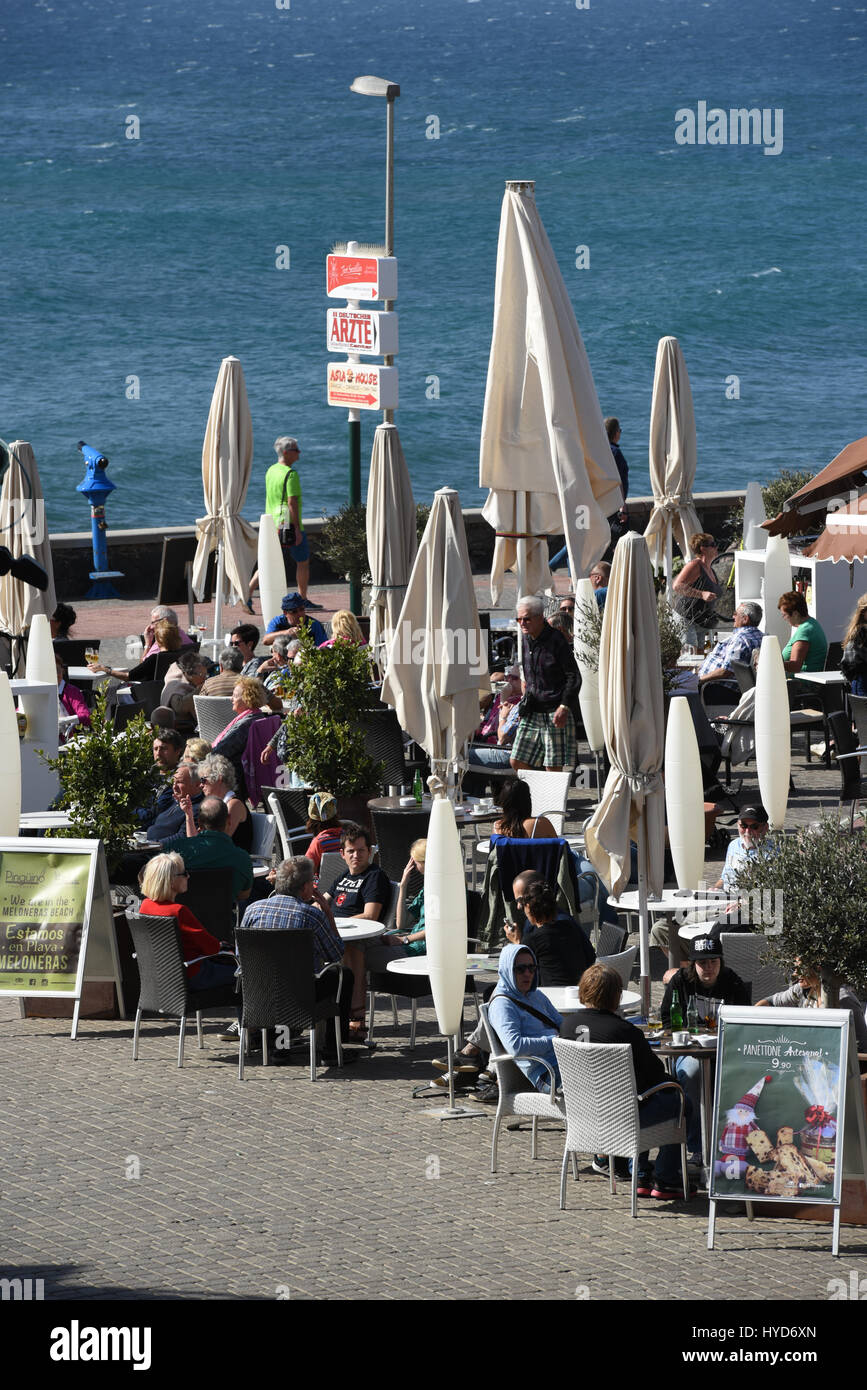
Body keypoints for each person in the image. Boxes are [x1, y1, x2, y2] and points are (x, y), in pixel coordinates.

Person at [579, 963, 692, 1199]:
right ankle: (665, 1178)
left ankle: (640, 1173)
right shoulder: (624, 1032)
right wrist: (674, 1083)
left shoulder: (567, 1026)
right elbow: (655, 1074)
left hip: (585, 1117)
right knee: (678, 1101)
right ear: (616, 995)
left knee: (639, 1095)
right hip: (625, 1119)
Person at [239, 857, 353, 1063]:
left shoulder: (252, 910)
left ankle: (278, 1045)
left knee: (277, 976)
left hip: (260, 993)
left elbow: (241, 955)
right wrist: (328, 914)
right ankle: (331, 1048)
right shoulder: (311, 915)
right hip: (301, 995)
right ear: (306, 886)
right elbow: (335, 954)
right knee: (343, 975)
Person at [660, 936, 750, 1159]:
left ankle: (726, 1141)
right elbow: (667, 1021)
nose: (708, 968)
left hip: (724, 1051)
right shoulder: (680, 982)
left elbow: (745, 1021)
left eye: (713, 962)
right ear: (693, 964)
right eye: (702, 963)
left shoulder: (733, 982)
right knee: (692, 1073)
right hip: (690, 1050)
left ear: (721, 961)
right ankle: (698, 1147)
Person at [324, 822, 396, 1037]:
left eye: (361, 851)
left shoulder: (374, 876)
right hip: (334, 932)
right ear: (342, 854)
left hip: (364, 936)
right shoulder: (342, 876)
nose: (357, 855)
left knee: (351, 947)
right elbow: (323, 902)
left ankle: (356, 1016)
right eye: (351, 851)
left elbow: (370, 916)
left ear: (370, 852)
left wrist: (332, 923)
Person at [139, 852, 236, 991]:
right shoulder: (178, 911)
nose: (188, 876)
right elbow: (212, 948)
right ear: (171, 881)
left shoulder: (145, 906)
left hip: (161, 978)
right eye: (184, 873)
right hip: (192, 976)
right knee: (249, 975)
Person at [510, 594, 579, 772]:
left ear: (540, 617)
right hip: (532, 709)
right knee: (516, 760)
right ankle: (537, 796)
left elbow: (574, 676)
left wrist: (564, 706)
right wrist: (524, 701)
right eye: (519, 619)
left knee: (552, 768)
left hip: (554, 710)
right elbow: (529, 675)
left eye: (526, 619)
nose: (522, 623)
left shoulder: (556, 640)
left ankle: (550, 799)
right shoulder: (526, 638)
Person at [488, 942, 563, 1091]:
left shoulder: (536, 994)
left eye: (531, 968)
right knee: (599, 1081)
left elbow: (561, 1023)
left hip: (563, 1060)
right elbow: (515, 1046)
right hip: (546, 1073)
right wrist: (554, 1041)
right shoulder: (502, 1004)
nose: (527, 973)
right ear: (507, 970)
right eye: (520, 969)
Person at [503, 878, 595, 987]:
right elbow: (591, 957)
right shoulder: (570, 926)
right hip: (579, 991)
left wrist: (517, 942)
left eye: (523, 903)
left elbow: (520, 973)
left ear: (528, 907)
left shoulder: (533, 940)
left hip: (550, 995)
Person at [264, 436, 321, 609]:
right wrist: (296, 528)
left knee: (269, 559)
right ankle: (302, 599)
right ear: (287, 453)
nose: (299, 452)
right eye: (296, 450)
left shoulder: (271, 470)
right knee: (302, 562)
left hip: (273, 522)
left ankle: (249, 593)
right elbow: (292, 502)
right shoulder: (291, 474)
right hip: (289, 524)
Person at [757, 964, 867, 1051]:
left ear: (818, 969)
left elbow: (859, 1045)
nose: (795, 974)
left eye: (799, 968)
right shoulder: (802, 989)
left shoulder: (842, 1000)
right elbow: (770, 1001)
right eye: (793, 968)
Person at [172, 796, 254, 901]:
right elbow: (243, 895)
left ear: (199, 823)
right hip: (222, 916)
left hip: (183, 915)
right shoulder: (242, 858)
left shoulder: (177, 850)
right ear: (229, 821)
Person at [211, 676, 278, 797]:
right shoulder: (258, 716)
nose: (231, 699)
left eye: (235, 696)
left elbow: (220, 752)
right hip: (245, 771)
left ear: (248, 699)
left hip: (231, 773)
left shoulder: (245, 724)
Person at [698, 602, 763, 699]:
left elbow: (726, 671)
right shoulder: (761, 636)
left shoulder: (740, 639)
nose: (733, 616)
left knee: (680, 690)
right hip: (732, 689)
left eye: (735, 614)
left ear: (745, 619)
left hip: (720, 689)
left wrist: (698, 680)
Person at [97, 618, 182, 684]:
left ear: (158, 640)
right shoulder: (181, 655)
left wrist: (105, 669)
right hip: (165, 692)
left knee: (110, 691)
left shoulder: (154, 658)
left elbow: (128, 676)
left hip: (145, 693)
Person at [468, 666, 522, 767]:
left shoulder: (518, 703)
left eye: (514, 678)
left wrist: (503, 700)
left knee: (460, 756)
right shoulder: (503, 695)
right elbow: (488, 721)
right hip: (483, 739)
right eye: (507, 677)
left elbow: (502, 738)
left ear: (524, 682)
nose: (509, 680)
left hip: (497, 746)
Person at [197, 753, 252, 851]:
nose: (201, 785)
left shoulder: (234, 804)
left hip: (233, 861)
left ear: (219, 778)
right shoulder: (219, 804)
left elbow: (221, 841)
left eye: (203, 780)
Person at [672, 533, 722, 632]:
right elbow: (677, 586)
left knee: (701, 648)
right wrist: (701, 594)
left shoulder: (711, 570)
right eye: (713, 544)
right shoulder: (695, 565)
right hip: (686, 618)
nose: (716, 547)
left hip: (701, 621)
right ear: (703, 548)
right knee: (690, 647)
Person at [147, 763, 205, 845]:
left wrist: (154, 844)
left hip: (162, 853)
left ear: (196, 785)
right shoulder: (174, 801)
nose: (174, 787)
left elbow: (182, 837)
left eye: (180, 782)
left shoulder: (197, 809)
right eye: (173, 782)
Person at [777, 591, 828, 674]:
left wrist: (772, 663)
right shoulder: (812, 623)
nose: (783, 618)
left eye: (784, 615)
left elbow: (795, 666)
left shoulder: (805, 631)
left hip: (802, 684)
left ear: (795, 614)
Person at [160, 650, 209, 731]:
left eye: (206, 675)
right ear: (189, 674)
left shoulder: (189, 682)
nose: (205, 678)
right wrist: (199, 689)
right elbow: (179, 707)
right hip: (181, 728)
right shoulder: (176, 683)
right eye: (202, 675)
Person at [394, 839, 427, 954]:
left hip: (423, 947)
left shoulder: (445, 889)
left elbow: (438, 929)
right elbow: (401, 923)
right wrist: (403, 886)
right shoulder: (427, 888)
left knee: (370, 955)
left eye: (416, 863)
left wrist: (405, 939)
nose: (415, 869)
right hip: (413, 942)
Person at [304, 792, 343, 872]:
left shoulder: (319, 842)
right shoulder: (348, 837)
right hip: (346, 882)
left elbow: (307, 871)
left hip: (322, 884)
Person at [55, 655, 90, 734]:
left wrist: (66, 720)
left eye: (57, 670)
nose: (54, 674)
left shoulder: (72, 692)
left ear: (63, 671)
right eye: (50, 671)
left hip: (66, 739)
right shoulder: (40, 690)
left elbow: (86, 716)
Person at [840, 595, 867, 695]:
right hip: (862, 680)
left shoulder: (857, 630)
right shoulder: (862, 631)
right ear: (864, 612)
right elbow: (850, 663)